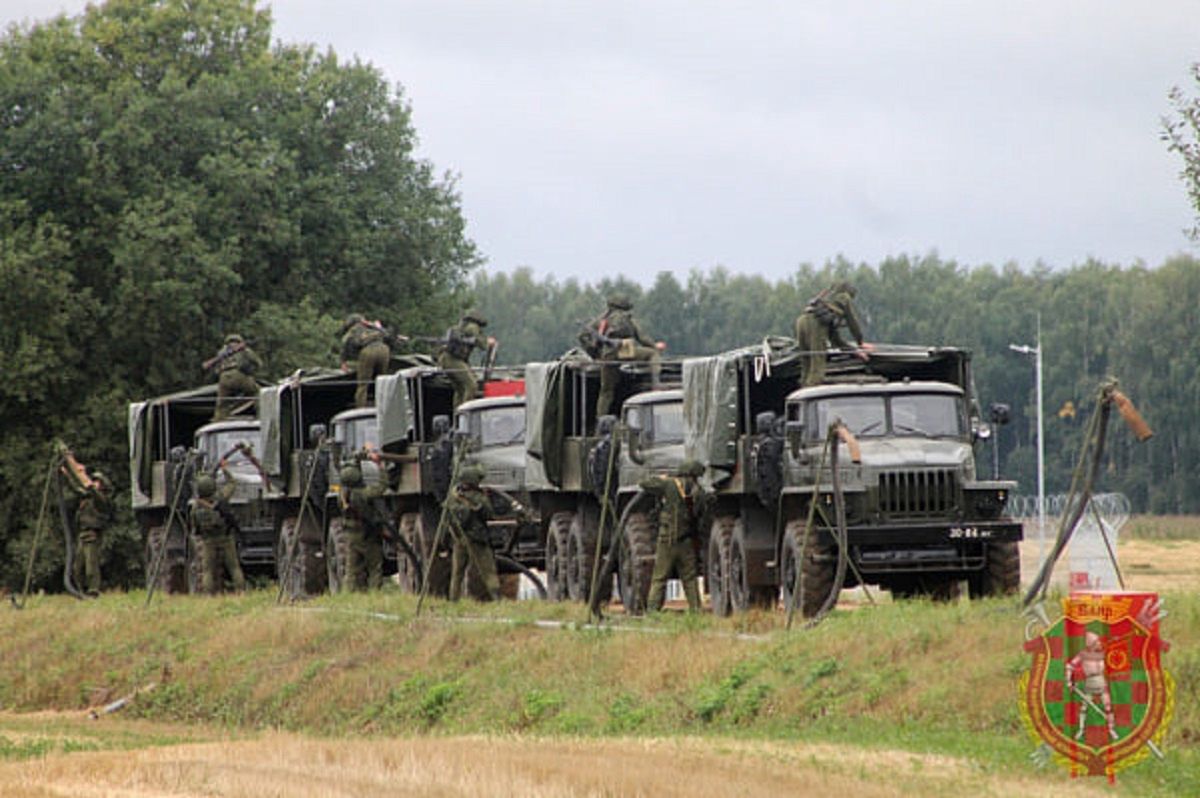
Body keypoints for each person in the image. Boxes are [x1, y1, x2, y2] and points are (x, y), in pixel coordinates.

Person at [444, 463, 526, 601]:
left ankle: (453, 600)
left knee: (457, 573)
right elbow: (489, 514)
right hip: (477, 539)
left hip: (459, 539)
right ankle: (497, 598)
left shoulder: (454, 495)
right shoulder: (478, 497)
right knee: (489, 572)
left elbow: (446, 516)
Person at [639, 459, 707, 613]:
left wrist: (661, 478)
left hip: (667, 541)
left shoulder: (670, 485)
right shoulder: (700, 492)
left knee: (659, 578)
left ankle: (652, 611)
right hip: (687, 541)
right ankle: (696, 610)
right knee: (690, 579)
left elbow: (644, 483)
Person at [586, 293, 665, 418]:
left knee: (606, 391)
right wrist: (655, 347)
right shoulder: (628, 318)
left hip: (608, 355)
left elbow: (583, 335)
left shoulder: (602, 320)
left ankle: (600, 422)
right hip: (626, 350)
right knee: (652, 354)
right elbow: (643, 338)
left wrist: (595, 354)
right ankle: (656, 384)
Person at [793, 282, 871, 387]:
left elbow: (836, 340)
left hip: (801, 321)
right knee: (818, 364)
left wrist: (854, 351)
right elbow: (852, 322)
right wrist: (860, 342)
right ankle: (812, 391)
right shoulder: (844, 297)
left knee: (806, 362)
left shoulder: (826, 298)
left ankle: (802, 390)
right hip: (815, 323)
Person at [59, 446, 112, 596]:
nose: (94, 482)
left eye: (97, 481)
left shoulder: (101, 499)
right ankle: (80, 592)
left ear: (102, 486)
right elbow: (77, 487)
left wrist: (80, 472)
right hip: (83, 535)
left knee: (91, 567)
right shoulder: (87, 497)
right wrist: (67, 473)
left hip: (92, 535)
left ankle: (93, 591)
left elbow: (88, 487)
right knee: (77, 568)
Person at [188, 463, 246, 595]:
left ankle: (208, 594)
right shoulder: (220, 498)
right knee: (234, 567)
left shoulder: (196, 507)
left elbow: (194, 526)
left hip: (208, 540)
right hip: (225, 538)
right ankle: (240, 591)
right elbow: (232, 483)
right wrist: (224, 468)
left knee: (207, 570)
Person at [337, 458, 387, 591]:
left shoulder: (342, 495)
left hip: (350, 535)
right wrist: (381, 467)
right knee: (375, 567)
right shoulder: (362, 494)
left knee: (352, 569)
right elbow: (381, 488)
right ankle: (375, 593)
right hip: (366, 535)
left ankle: (349, 593)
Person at [1066, 631, 1119, 741]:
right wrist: (1069, 681)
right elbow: (1069, 666)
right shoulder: (1083, 654)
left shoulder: (1101, 653)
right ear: (1091, 644)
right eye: (1097, 642)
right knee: (1084, 708)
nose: (1099, 643)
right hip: (1090, 683)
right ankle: (1081, 730)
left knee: (1108, 707)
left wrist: (1115, 641)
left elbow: (1113, 647)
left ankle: (1111, 730)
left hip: (1101, 682)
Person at [439, 309, 495, 409]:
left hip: (446, 359)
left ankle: (457, 415)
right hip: (453, 360)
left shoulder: (462, 326)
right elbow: (480, 342)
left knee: (460, 389)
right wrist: (488, 342)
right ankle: (465, 413)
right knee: (472, 385)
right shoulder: (472, 327)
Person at [340, 314, 392, 408]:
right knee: (383, 382)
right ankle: (384, 407)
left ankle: (361, 408)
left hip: (368, 351)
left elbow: (345, 344)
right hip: (384, 349)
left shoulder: (354, 329)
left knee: (363, 385)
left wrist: (343, 361)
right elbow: (388, 336)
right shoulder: (373, 326)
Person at [208, 333, 263, 420]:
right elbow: (258, 363)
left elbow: (216, 370)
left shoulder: (221, 352)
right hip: (238, 375)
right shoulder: (244, 350)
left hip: (224, 378)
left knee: (222, 404)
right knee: (258, 392)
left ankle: (219, 420)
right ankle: (261, 416)